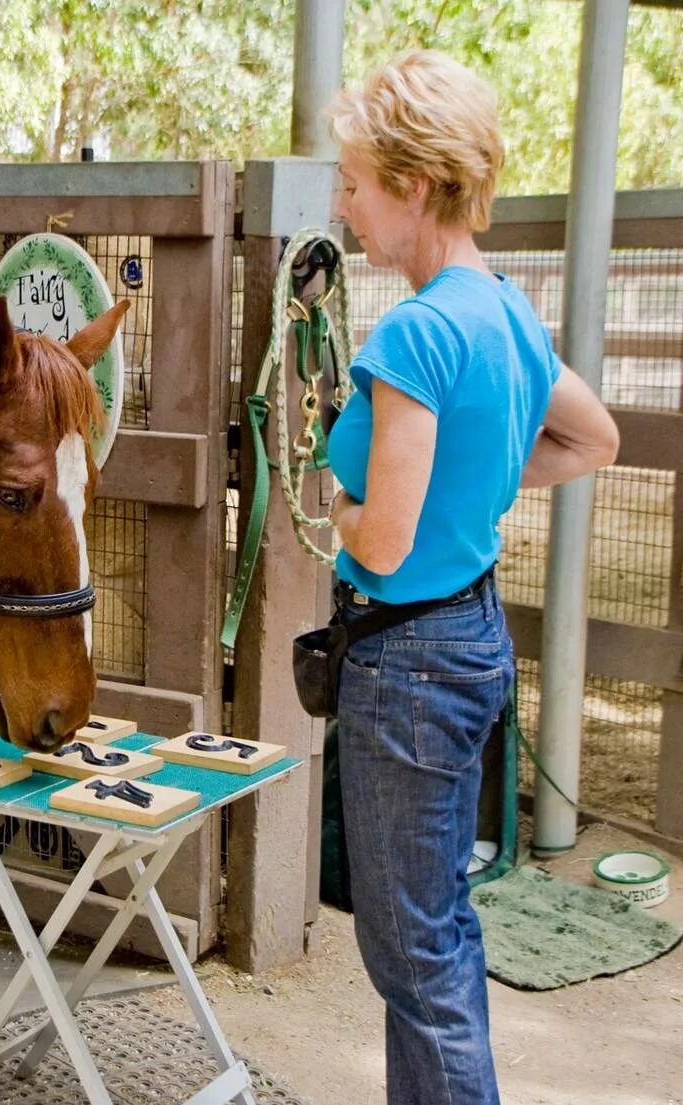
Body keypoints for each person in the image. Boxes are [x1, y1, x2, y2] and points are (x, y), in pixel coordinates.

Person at [322, 50, 620, 1105]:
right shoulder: (503, 312)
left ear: (412, 186)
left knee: (414, 959)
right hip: (471, 641)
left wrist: (337, 510)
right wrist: (479, 482)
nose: (345, 207)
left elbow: (383, 545)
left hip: (408, 663)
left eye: (355, 184)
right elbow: (593, 439)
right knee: (438, 936)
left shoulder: (417, 331)